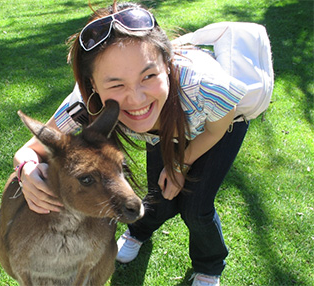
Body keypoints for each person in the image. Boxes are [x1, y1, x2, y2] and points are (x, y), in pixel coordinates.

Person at [13, 1, 250, 285]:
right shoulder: (85, 104)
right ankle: (138, 232)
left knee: (196, 207)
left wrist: (179, 165)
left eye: (148, 76)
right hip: (160, 129)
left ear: (167, 63)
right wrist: (25, 170)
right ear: (94, 85)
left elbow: (215, 130)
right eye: (116, 84)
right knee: (157, 195)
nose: (136, 99)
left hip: (212, 126)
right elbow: (28, 149)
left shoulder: (208, 88)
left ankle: (209, 264)